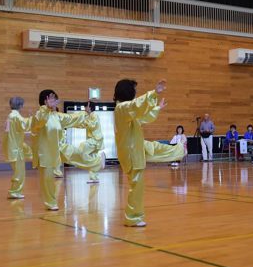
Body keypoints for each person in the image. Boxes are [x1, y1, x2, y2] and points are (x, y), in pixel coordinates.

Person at [114, 79, 185, 227]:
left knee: (155, 147)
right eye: (134, 90)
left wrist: (156, 108)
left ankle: (179, 149)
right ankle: (132, 218)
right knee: (136, 185)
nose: (135, 93)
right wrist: (154, 93)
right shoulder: (122, 108)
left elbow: (143, 117)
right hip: (131, 152)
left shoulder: (126, 111)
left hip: (136, 146)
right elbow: (136, 106)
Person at [31, 90, 92, 210]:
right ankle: (51, 203)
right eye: (52, 100)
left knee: (76, 154)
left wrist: (84, 113)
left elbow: (70, 118)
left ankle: (94, 163)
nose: (55, 103)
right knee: (47, 180)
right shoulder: (39, 115)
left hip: (56, 151)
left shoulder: (56, 115)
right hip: (44, 154)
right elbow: (38, 123)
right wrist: (45, 108)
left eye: (55, 100)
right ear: (45, 101)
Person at [66, 101, 107, 183]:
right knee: (91, 157)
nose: (85, 108)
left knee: (82, 147)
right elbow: (84, 125)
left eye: (86, 107)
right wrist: (72, 124)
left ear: (90, 107)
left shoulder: (94, 115)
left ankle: (99, 160)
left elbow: (92, 125)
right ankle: (94, 178)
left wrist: (84, 121)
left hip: (95, 139)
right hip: (94, 139)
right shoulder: (89, 116)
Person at [2, 97, 33, 199]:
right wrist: (33, 119)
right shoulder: (16, 117)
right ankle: (14, 192)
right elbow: (25, 125)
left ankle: (15, 191)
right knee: (19, 172)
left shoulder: (10, 116)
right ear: (21, 105)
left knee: (18, 171)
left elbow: (18, 130)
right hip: (15, 149)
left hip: (13, 148)